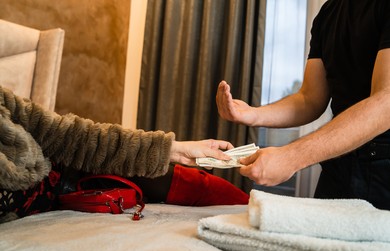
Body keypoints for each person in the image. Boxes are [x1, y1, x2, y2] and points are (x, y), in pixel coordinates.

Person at [216, 0, 390, 210]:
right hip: (338, 165)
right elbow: (309, 98)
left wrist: (291, 157)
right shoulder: (328, 12)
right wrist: (252, 114)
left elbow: (385, 103)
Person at [0, 86, 249, 223]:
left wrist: (178, 151)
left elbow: (70, 136)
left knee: (209, 189)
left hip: (78, 173)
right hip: (53, 206)